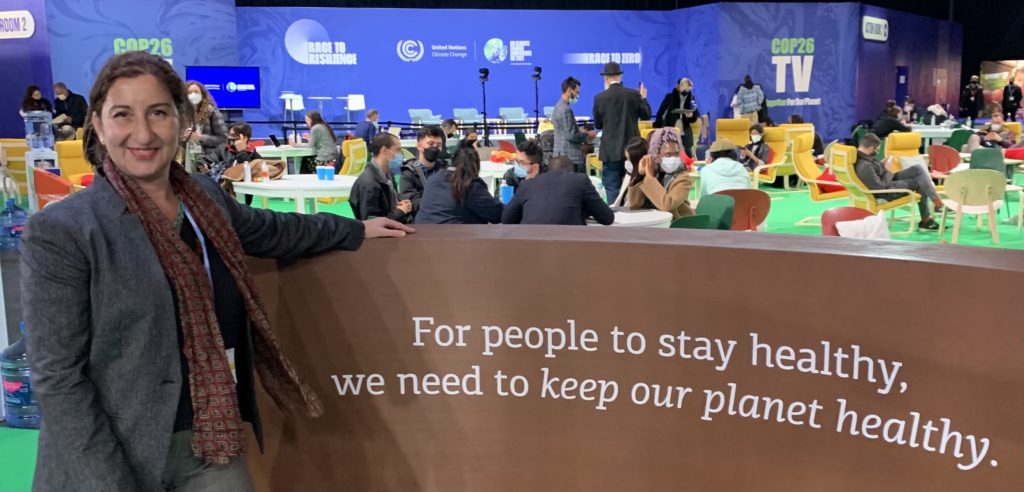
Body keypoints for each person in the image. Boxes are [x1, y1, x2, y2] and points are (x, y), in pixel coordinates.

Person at [21, 51, 414, 492]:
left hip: (210, 442)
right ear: (97, 123)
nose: (143, 133)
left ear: (182, 119)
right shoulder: (61, 232)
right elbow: (58, 378)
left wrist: (355, 228)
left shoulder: (205, 198)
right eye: (122, 115)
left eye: (158, 113)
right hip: (107, 450)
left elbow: (274, 230)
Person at [854, 133, 942, 230]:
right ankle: (928, 216)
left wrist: (882, 165)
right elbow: (879, 187)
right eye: (877, 150)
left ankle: (934, 201)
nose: (877, 152)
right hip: (885, 192)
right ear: (871, 148)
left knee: (917, 169)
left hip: (886, 179)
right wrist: (887, 169)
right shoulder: (865, 166)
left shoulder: (863, 157)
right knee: (918, 181)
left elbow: (875, 175)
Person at [593, 61, 652, 203]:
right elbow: (646, 115)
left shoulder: (599, 98)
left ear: (606, 78)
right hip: (632, 150)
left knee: (612, 188)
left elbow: (598, 125)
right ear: (620, 76)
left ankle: (615, 218)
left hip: (610, 151)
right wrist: (643, 98)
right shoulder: (633, 94)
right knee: (634, 185)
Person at [501, 156, 614, 225]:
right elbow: (606, 218)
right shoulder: (580, 180)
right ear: (572, 171)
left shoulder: (526, 184)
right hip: (569, 246)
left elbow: (506, 219)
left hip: (530, 245)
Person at [416, 147, 504, 224]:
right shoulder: (470, 185)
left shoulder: (434, 179)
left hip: (422, 234)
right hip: (454, 238)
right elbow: (496, 214)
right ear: (475, 166)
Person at [624, 133, 694, 220]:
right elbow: (635, 205)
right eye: (668, 155)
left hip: (677, 224)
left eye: (676, 154)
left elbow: (667, 206)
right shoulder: (654, 173)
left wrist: (650, 178)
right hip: (654, 223)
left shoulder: (683, 178)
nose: (673, 158)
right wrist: (640, 176)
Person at [350, 132, 412, 222]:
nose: (401, 155)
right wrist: (400, 212)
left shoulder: (388, 176)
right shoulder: (369, 183)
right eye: (397, 150)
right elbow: (372, 223)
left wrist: (403, 205)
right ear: (384, 150)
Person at [398, 125, 445, 220]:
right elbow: (413, 203)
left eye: (439, 145)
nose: (435, 148)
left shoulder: (445, 170)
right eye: (430, 144)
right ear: (419, 146)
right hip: (421, 222)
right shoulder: (408, 173)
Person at [552, 76, 595, 173]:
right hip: (570, 157)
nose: (577, 95)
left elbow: (564, 129)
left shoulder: (557, 106)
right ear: (570, 90)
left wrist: (578, 129)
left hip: (560, 155)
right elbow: (570, 135)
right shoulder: (566, 110)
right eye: (577, 92)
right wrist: (587, 135)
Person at [183, 80, 228, 167]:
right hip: (185, 162)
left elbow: (223, 139)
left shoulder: (212, 112)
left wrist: (201, 137)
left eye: (196, 92)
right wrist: (181, 137)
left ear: (202, 95)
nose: (193, 95)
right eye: (189, 92)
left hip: (207, 162)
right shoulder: (180, 114)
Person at [654, 77, 702, 157]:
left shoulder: (691, 98)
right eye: (685, 89)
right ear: (679, 87)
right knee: (670, 152)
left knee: (688, 153)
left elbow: (695, 115)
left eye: (688, 90)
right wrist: (658, 125)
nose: (686, 92)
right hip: (671, 127)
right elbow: (660, 111)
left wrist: (691, 116)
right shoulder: (669, 97)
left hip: (685, 129)